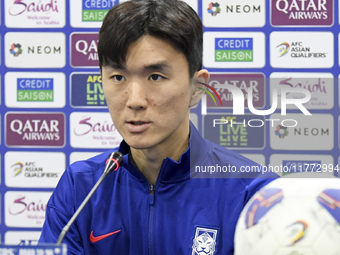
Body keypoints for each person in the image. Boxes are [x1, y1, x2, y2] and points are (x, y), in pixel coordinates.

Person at [39, 0, 277, 254]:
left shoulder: (253, 193)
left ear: (197, 88)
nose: (135, 100)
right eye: (118, 77)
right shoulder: (80, 188)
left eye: (155, 77)